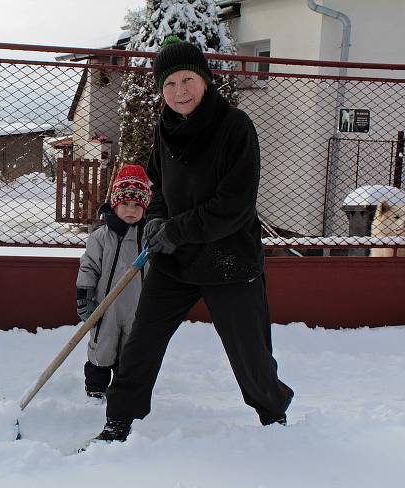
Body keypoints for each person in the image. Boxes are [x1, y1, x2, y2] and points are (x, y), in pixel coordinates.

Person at [93, 36, 294, 443]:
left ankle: (274, 417)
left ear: (205, 80)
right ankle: (118, 421)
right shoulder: (165, 128)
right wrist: (157, 218)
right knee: (142, 342)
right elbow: (160, 186)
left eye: (187, 80)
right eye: (169, 84)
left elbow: (233, 205)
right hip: (176, 260)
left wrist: (174, 229)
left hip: (229, 260)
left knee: (249, 352)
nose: (179, 91)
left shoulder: (235, 126)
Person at [76, 164, 151, 400]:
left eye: (137, 205)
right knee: (102, 347)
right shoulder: (100, 237)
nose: (131, 210)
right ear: (115, 204)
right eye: (125, 204)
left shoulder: (149, 238)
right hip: (104, 306)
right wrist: (85, 295)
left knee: (131, 351)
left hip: (138, 307)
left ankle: (122, 390)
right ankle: (96, 388)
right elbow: (88, 266)